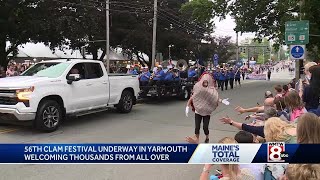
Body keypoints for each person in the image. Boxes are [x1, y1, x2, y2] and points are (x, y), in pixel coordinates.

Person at [186, 74, 219, 143]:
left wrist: (222, 101)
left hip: (207, 112)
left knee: (205, 127)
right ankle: (197, 139)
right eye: (204, 82)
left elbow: (215, 98)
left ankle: (207, 137)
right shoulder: (198, 90)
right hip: (198, 111)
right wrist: (187, 107)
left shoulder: (211, 91)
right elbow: (191, 98)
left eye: (206, 82)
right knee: (197, 126)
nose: (205, 84)